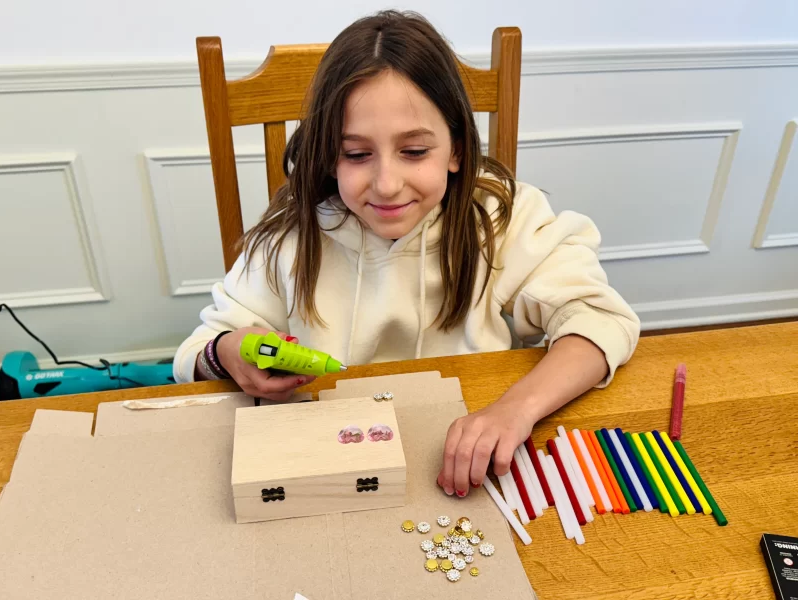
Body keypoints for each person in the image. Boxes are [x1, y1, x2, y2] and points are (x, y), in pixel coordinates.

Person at [174, 10, 640, 499]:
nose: (387, 184)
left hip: (464, 466)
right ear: (329, 156)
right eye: (357, 154)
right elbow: (193, 357)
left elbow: (600, 320)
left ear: (456, 150)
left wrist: (515, 409)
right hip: (328, 464)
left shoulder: (500, 218)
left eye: (414, 152)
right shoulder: (290, 237)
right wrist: (226, 353)